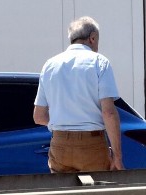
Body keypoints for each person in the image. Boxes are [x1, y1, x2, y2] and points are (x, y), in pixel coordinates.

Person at [33, 17, 125, 172]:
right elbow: (108, 112)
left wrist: (63, 122)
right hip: (92, 145)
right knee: (95, 194)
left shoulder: (50, 65)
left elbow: (39, 116)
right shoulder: (99, 62)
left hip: (59, 144)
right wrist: (117, 157)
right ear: (93, 38)